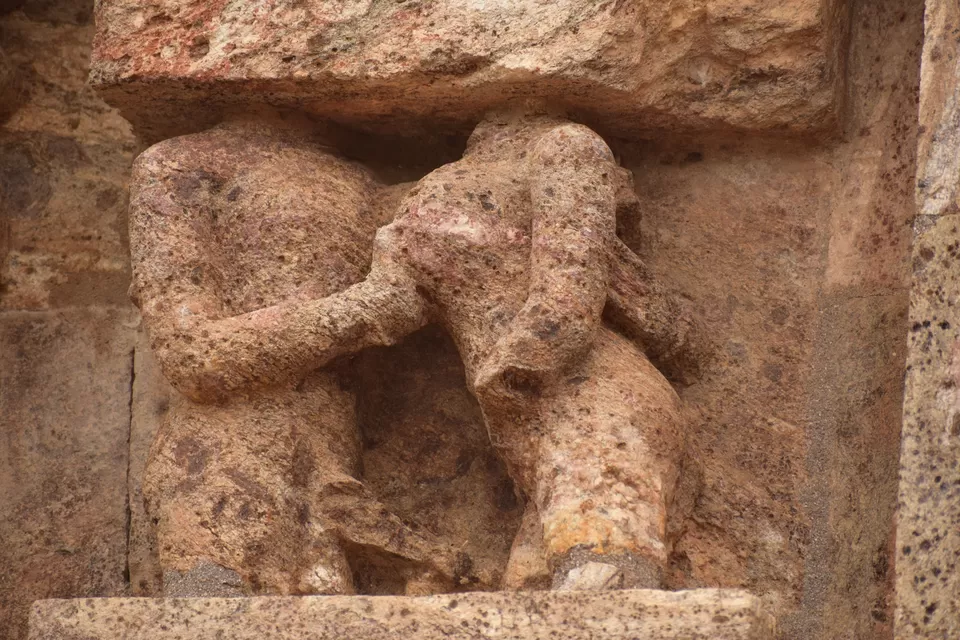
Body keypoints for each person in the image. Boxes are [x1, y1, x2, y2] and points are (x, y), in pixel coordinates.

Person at [261, 110, 700, 589]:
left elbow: (565, 310)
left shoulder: (555, 149)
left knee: (601, 585)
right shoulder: (458, 186)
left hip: (593, 408)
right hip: (534, 421)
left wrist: (507, 379)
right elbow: (386, 305)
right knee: (542, 593)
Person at [130, 114, 455, 596]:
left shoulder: (382, 189)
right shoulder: (183, 166)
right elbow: (193, 356)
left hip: (336, 461)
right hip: (228, 458)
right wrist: (368, 309)